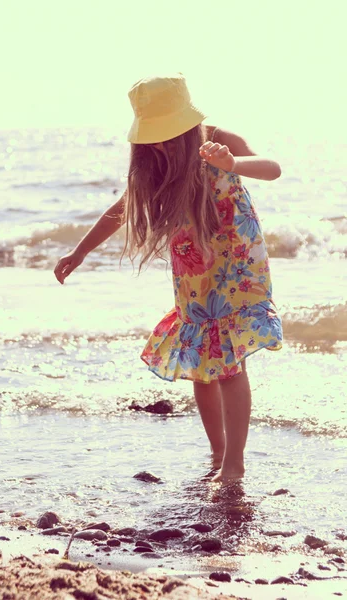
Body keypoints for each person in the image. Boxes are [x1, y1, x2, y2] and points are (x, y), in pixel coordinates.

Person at [54, 73, 283, 483]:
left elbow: (272, 168)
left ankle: (235, 463)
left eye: (166, 134)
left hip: (235, 266)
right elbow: (122, 208)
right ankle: (217, 454)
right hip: (193, 269)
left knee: (229, 363)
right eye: (152, 137)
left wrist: (231, 163)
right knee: (200, 363)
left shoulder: (217, 138)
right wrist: (80, 251)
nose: (159, 144)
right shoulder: (155, 162)